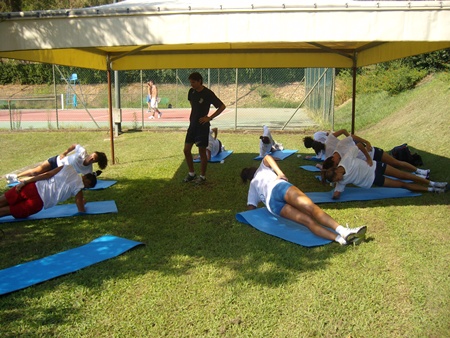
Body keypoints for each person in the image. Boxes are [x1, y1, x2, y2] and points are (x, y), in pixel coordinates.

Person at [241, 155, 367, 245]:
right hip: (278, 187)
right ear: (254, 170)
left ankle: (339, 239)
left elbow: (251, 208)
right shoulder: (261, 169)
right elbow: (267, 157)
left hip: (272, 205)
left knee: (307, 222)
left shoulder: (252, 185)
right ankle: (344, 231)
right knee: (312, 209)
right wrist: (280, 173)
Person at [323, 146, 447, 199]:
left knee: (406, 175)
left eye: (337, 179)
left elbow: (360, 145)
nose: (338, 181)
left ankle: (434, 183)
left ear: (336, 171)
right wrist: (335, 196)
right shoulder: (340, 182)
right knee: (402, 184)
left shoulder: (346, 159)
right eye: (336, 181)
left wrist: (368, 157)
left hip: (377, 167)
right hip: (374, 180)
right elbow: (337, 193)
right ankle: (432, 190)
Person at [0, 165, 97, 219]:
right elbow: (81, 209)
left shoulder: (68, 168)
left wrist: (25, 181)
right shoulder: (79, 188)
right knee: (5, 211)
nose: (85, 188)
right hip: (38, 202)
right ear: (87, 182)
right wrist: (83, 205)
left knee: (3, 200)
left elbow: (47, 174)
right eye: (87, 187)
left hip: (33, 187)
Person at [321, 132, 430, 178]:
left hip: (373, 154)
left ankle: (420, 171)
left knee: (396, 163)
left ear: (333, 158)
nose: (338, 164)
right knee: (393, 173)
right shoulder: (339, 161)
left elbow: (354, 138)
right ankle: (419, 176)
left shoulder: (341, 145)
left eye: (336, 163)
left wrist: (367, 142)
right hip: (371, 165)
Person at [183, 72, 226, 184]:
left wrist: (209, 117)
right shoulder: (191, 92)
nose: (191, 84)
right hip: (192, 126)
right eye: (190, 82)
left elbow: (222, 106)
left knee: (202, 152)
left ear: (199, 81)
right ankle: (191, 173)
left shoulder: (208, 93)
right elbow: (193, 106)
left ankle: (202, 176)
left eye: (193, 82)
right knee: (186, 150)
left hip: (202, 127)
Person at [6, 144, 107, 184]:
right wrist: (64, 153)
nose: (91, 158)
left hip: (60, 171)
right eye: (92, 156)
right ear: (92, 153)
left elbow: (86, 179)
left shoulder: (88, 169)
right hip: (56, 160)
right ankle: (16, 175)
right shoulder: (82, 152)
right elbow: (74, 146)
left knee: (41, 176)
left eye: (94, 159)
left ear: (95, 162)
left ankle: (18, 180)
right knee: (36, 171)